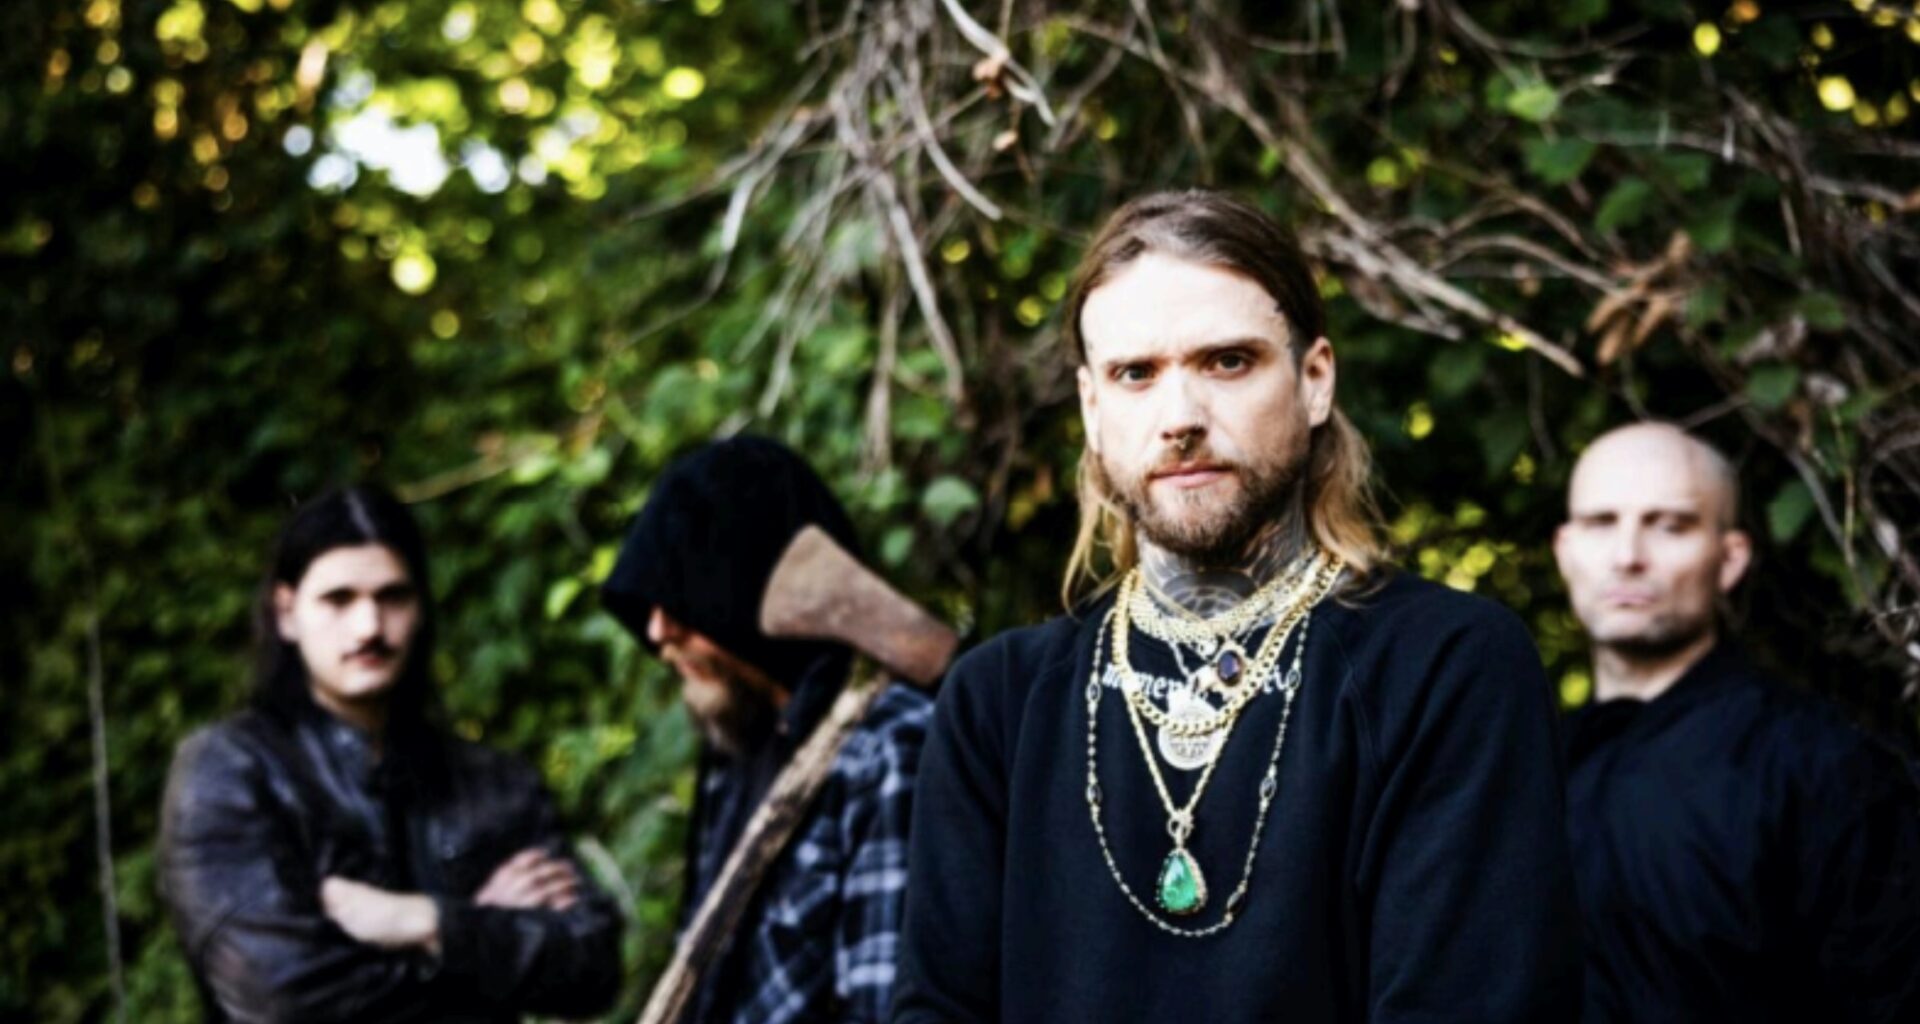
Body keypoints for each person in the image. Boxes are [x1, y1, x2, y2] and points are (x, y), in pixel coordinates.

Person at [893, 190, 1583, 1023]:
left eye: (1227, 362)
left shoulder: (1444, 668)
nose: (1180, 418)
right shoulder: (997, 704)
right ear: (1091, 409)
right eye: (1135, 374)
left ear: (1314, 380)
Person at [159, 485, 622, 1023]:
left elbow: (592, 965)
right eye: (339, 600)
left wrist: (423, 920)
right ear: (286, 613)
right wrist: (473, 936)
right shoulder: (231, 772)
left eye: (392, 597)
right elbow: (283, 999)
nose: (369, 627)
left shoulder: (490, 780)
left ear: (421, 607)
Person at [1554, 422, 1920, 1022]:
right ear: (1564, 550)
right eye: (1601, 523)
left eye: (1669, 525)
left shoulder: (1823, 765)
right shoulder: (1528, 765)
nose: (1627, 556)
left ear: (1729, 560)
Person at [601, 436, 933, 1024]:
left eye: (682, 601)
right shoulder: (740, 751)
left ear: (740, 591)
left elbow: (885, 1008)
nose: (657, 632)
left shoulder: (887, 749)